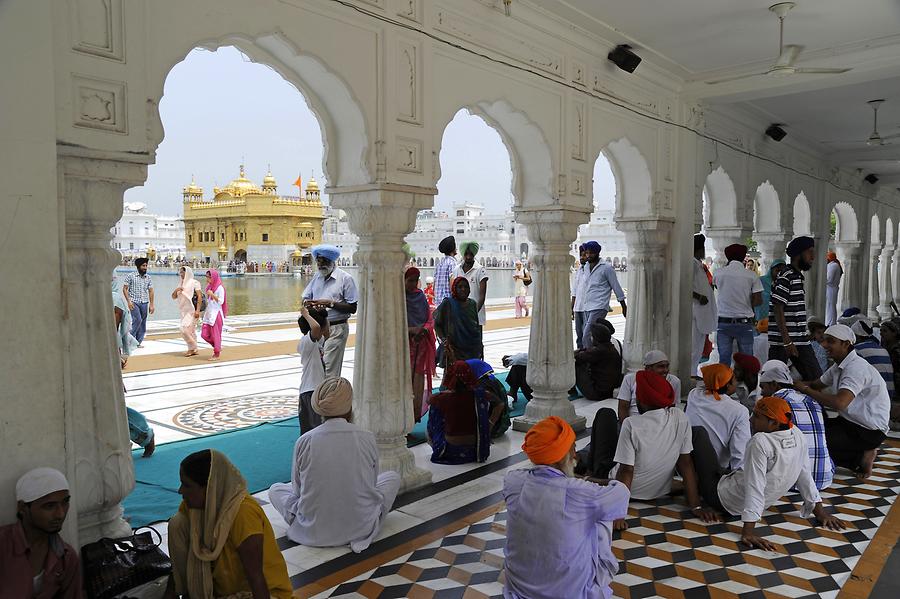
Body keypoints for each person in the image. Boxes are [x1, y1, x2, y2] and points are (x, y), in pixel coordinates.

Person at [691, 396, 844, 550]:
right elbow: (804, 474)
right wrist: (820, 512)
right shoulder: (797, 434)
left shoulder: (760, 441)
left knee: (698, 432)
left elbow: (754, 486)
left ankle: (688, 483)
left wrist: (748, 532)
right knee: (722, 469)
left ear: (774, 423)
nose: (751, 420)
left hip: (721, 498)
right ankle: (691, 483)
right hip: (739, 491)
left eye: (757, 416)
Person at [503, 416, 630, 599]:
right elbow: (621, 492)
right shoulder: (581, 492)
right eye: (573, 449)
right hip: (570, 593)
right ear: (563, 456)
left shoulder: (513, 481)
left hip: (520, 591)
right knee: (600, 516)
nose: (576, 456)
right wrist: (586, 479)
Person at [268, 378, 401, 552]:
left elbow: (298, 490)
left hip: (313, 529)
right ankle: (364, 517)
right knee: (392, 477)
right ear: (349, 407)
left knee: (276, 490)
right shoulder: (366, 437)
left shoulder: (305, 440)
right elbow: (372, 483)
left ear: (320, 410)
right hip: (360, 525)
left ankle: (309, 523)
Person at [577, 372, 717, 523]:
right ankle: (586, 470)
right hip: (659, 489)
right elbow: (686, 463)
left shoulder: (631, 424)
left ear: (641, 401)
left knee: (605, 414)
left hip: (624, 486)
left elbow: (626, 471)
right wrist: (696, 506)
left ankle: (589, 475)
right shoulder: (680, 417)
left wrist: (618, 512)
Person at [165, 450, 292, 599]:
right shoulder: (194, 509)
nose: (181, 491)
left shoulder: (243, 513)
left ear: (210, 487)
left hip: (262, 593)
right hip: (224, 593)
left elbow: (256, 577)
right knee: (177, 524)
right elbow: (177, 569)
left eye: (186, 485)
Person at [793, 324, 890, 478]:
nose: (824, 345)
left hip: (868, 430)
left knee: (817, 445)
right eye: (824, 340)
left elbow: (839, 403)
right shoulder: (840, 364)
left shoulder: (855, 368)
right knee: (812, 433)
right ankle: (861, 455)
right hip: (849, 422)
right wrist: (792, 383)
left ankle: (861, 456)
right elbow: (817, 384)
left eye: (830, 341)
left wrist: (805, 390)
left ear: (845, 344)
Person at [0, 468, 82, 599]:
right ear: (22, 508)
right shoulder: (3, 546)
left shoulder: (66, 557)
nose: (60, 514)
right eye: (49, 506)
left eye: (65, 502)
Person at [758, 360, 834, 490]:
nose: (761, 392)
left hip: (793, 482)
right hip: (825, 476)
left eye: (763, 387)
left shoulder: (775, 403)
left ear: (774, 385)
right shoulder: (812, 401)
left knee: (758, 441)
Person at [113, 277, 156, 457]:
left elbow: (109, 334)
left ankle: (144, 434)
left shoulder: (113, 300)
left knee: (112, 406)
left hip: (104, 357)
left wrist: (114, 368)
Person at [769, 236, 822, 380]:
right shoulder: (787, 276)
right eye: (809, 252)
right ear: (799, 254)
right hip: (784, 342)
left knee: (815, 378)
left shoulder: (795, 276)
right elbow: (777, 306)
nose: (813, 256)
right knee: (774, 380)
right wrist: (787, 340)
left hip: (798, 339)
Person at [302, 244, 358, 379]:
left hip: (336, 328)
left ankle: (330, 398)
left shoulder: (345, 279)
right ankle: (319, 398)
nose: (321, 265)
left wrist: (330, 304)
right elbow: (305, 298)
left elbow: (352, 307)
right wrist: (310, 305)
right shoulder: (317, 277)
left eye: (324, 261)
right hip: (318, 328)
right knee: (317, 368)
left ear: (332, 261)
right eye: (318, 261)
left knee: (329, 368)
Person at [685, 363, 750, 471]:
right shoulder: (739, 411)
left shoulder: (693, 395)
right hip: (713, 471)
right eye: (734, 380)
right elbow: (740, 457)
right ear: (728, 385)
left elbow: (704, 388)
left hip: (685, 464)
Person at [426, 360, 491, 464]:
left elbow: (428, 400)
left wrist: (444, 394)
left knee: (435, 410)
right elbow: (496, 402)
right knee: (482, 405)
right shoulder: (480, 395)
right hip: (474, 450)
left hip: (450, 450)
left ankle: (439, 448)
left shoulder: (440, 398)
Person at [713, 244, 762, 367]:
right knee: (747, 359)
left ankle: (724, 384)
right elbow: (758, 300)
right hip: (744, 323)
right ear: (743, 257)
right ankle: (747, 385)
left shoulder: (718, 273)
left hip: (723, 322)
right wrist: (745, 302)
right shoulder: (751, 275)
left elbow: (716, 290)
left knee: (724, 359)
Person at [574, 241, 626, 349]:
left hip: (599, 306)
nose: (588, 255)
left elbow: (616, 287)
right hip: (587, 306)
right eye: (587, 253)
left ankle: (589, 360)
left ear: (597, 253)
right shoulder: (586, 267)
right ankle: (595, 355)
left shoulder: (606, 268)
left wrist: (623, 306)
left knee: (586, 335)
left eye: (591, 253)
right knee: (590, 335)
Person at [405, 267, 436, 422]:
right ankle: (403, 417)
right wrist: (411, 330)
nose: (412, 284)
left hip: (420, 345)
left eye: (415, 280)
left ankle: (413, 415)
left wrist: (423, 330)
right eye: (409, 280)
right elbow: (392, 324)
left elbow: (429, 320)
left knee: (417, 381)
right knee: (404, 382)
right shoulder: (399, 299)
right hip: (405, 346)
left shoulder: (420, 296)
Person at [617, 350, 681, 421]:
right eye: (661, 366)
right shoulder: (630, 379)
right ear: (648, 369)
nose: (665, 370)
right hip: (634, 422)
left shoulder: (674, 381)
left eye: (667, 366)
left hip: (661, 423)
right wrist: (627, 427)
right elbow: (623, 407)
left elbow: (672, 409)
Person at [433, 277, 483, 367]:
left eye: (466, 287)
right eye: (460, 287)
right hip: (454, 350)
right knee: (452, 378)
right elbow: (437, 323)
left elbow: (476, 326)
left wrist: (480, 345)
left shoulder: (472, 304)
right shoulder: (448, 304)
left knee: (471, 377)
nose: (463, 289)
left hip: (472, 349)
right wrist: (444, 342)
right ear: (454, 289)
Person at [297, 305, 329, 434]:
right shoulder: (306, 342)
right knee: (311, 429)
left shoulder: (317, 342)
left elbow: (327, 332)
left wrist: (324, 313)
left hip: (315, 390)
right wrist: (305, 314)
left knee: (317, 427)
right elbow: (316, 327)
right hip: (309, 391)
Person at [575, 321, 623, 401]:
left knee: (576, 364)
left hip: (598, 393)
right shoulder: (610, 347)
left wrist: (576, 353)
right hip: (608, 391)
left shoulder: (599, 351)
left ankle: (568, 389)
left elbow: (578, 357)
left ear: (596, 338)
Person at [850, 317, 895, 400]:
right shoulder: (882, 349)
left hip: (874, 398)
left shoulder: (857, 350)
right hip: (888, 395)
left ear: (856, 336)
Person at [466, 358, 511, 438]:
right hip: (501, 424)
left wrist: (488, 428)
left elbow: (499, 405)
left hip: (496, 427)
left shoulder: (483, 385)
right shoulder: (489, 378)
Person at [692, 234, 717, 372]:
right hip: (696, 310)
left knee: (698, 346)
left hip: (701, 312)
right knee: (694, 347)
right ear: (699, 249)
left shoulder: (698, 264)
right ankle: (690, 374)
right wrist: (699, 297)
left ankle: (693, 372)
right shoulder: (692, 264)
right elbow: (685, 285)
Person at [452, 241, 489, 328]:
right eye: (466, 254)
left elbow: (482, 297)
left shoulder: (480, 270)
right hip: (460, 315)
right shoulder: (457, 270)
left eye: (471, 254)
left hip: (476, 317)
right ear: (462, 254)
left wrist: (473, 314)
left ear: (474, 254)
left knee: (476, 341)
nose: (468, 257)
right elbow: (453, 292)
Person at [122, 257, 155, 346]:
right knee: (137, 320)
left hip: (144, 302)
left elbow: (151, 291)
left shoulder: (148, 277)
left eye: (146, 266)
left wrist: (151, 304)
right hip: (134, 302)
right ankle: (128, 341)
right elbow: (125, 289)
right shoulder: (131, 276)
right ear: (138, 266)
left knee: (143, 322)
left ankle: (138, 342)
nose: (145, 268)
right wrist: (128, 301)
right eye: (143, 266)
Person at [171, 265, 203, 357]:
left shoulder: (194, 282)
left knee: (184, 329)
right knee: (190, 330)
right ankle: (193, 349)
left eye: (182, 272)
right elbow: (173, 297)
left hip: (192, 310)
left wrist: (197, 310)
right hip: (183, 311)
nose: (181, 274)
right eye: (180, 272)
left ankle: (192, 347)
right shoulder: (180, 284)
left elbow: (199, 296)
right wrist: (177, 290)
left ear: (187, 272)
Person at [199, 269, 227, 361]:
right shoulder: (209, 287)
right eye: (206, 277)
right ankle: (217, 346)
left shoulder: (220, 288)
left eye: (209, 277)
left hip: (216, 314)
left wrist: (212, 295)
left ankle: (216, 353)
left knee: (216, 334)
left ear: (213, 277)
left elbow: (221, 301)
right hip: (209, 313)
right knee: (204, 334)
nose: (207, 279)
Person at [879, 319, 900, 429]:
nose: (882, 333)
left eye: (885, 331)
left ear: (894, 333)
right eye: (881, 331)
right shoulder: (884, 348)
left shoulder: (896, 350)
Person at [571, 244, 588, 348]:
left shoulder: (590, 270)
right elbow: (575, 290)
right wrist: (571, 307)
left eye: (584, 255)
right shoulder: (579, 270)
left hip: (587, 307)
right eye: (580, 255)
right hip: (578, 307)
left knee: (587, 334)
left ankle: (587, 353)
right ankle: (581, 353)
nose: (582, 257)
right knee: (579, 334)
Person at [433, 235, 457, 307]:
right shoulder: (452, 262)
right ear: (453, 249)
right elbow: (452, 281)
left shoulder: (440, 263)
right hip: (448, 302)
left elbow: (434, 283)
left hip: (438, 302)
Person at [826, 251, 843, 326]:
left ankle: (831, 323)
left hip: (831, 288)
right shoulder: (832, 265)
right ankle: (830, 322)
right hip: (830, 288)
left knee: (831, 306)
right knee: (830, 306)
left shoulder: (834, 265)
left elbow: (829, 279)